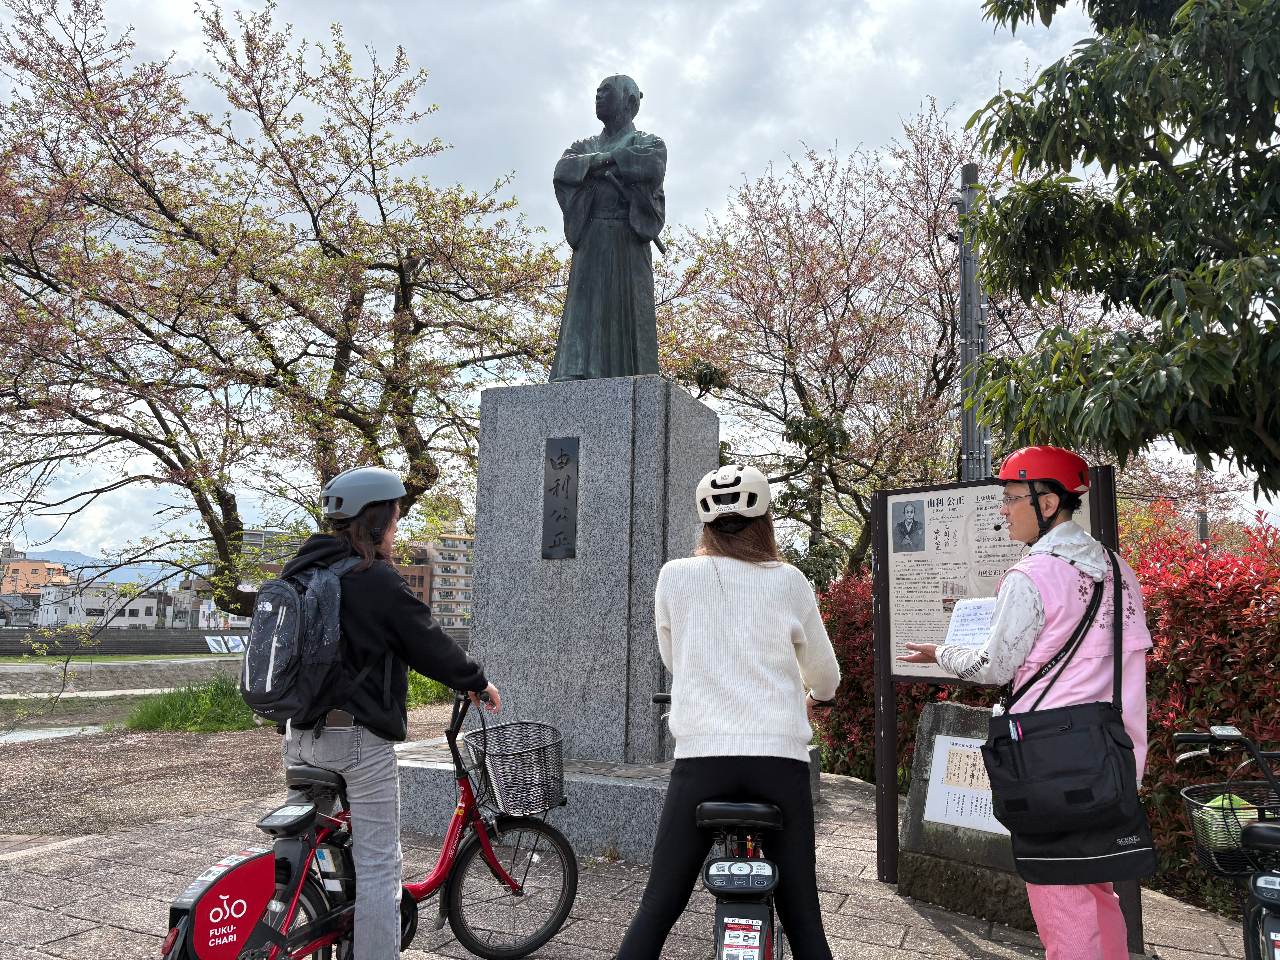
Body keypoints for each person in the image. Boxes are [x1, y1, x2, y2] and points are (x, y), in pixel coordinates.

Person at [897, 446, 1153, 960]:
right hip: (1115, 752)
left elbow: (994, 666)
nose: (1003, 509)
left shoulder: (1031, 576)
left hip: (1050, 762)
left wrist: (941, 653)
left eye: (1013, 497)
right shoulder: (1117, 570)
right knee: (1097, 885)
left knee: (1060, 896)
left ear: (1050, 503)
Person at [617, 463, 841, 960]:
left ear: (705, 522)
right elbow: (826, 675)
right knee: (805, 921)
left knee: (658, 905)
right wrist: (817, 698)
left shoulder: (675, 576)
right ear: (765, 519)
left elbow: (676, 662)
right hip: (780, 765)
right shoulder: (790, 581)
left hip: (702, 762)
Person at [279, 466, 500, 960]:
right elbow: (427, 642)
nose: (397, 532)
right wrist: (476, 681)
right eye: (395, 521)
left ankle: (324, 916)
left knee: (322, 847)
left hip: (297, 733)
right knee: (380, 866)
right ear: (375, 522)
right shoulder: (373, 579)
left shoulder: (301, 572)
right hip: (356, 743)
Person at [549, 74, 666, 381]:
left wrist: (595, 167)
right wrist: (611, 160)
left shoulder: (649, 143)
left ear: (629, 102)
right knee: (584, 311)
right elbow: (564, 170)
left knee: (627, 317)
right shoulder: (583, 145)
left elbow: (648, 165)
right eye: (597, 92)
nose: (598, 97)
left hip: (627, 240)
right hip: (591, 237)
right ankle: (576, 372)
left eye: (606, 92)